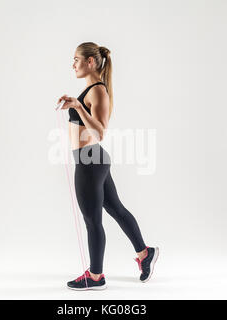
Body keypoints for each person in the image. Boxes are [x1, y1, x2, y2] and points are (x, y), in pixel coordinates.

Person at [57, 42, 159, 290]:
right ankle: (145, 253)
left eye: (76, 60)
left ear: (90, 62)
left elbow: (100, 132)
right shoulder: (91, 90)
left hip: (90, 161)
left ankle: (95, 277)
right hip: (92, 159)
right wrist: (75, 102)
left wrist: (78, 106)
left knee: (92, 220)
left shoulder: (98, 91)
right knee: (117, 210)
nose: (73, 65)